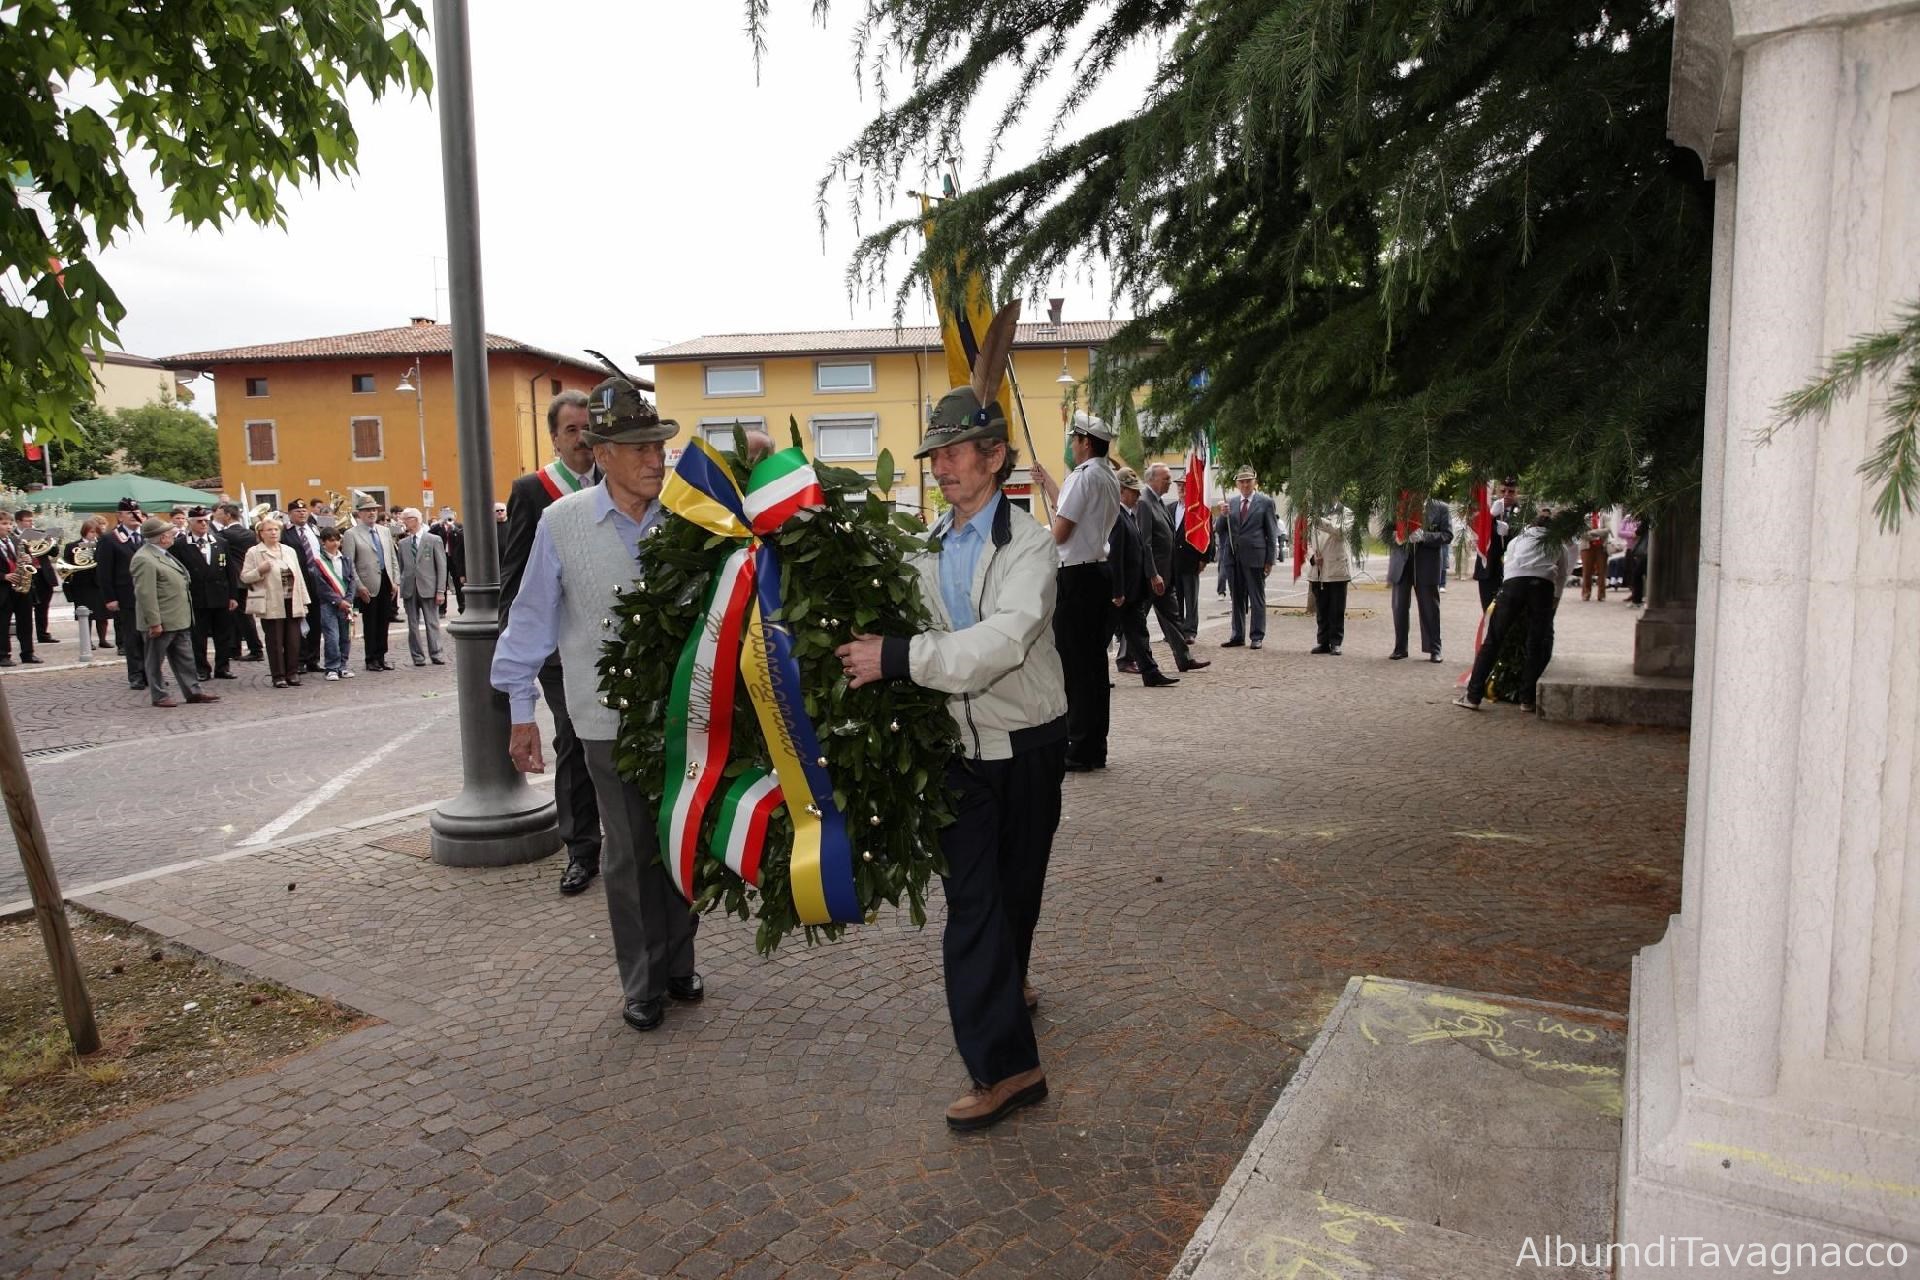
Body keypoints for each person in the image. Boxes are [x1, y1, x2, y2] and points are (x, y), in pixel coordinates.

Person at [834, 364, 1067, 1131]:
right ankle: (1008, 1069)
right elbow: (895, 612)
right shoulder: (927, 543)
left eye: (954, 452)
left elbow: (999, 644)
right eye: (934, 454)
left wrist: (899, 657)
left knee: (1016, 892)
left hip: (1029, 744)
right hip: (958, 757)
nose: (940, 467)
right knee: (973, 904)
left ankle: (1011, 977)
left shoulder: (1030, 548)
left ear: (995, 456)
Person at [494, 378, 700, 1033]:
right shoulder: (562, 523)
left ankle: (679, 961)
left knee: (679, 840)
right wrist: (520, 712)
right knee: (629, 850)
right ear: (602, 454)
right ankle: (643, 981)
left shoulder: (688, 518)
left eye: (658, 446)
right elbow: (529, 619)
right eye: (639, 448)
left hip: (682, 716)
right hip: (606, 720)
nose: (654, 459)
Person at [501, 390, 606, 896]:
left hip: (612, 641)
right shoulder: (533, 491)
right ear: (554, 438)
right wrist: (519, 649)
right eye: (572, 430)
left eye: (589, 428)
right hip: (561, 651)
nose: (583, 438)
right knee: (575, 737)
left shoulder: (616, 481)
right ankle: (581, 850)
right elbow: (516, 577)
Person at [1030, 412, 1120, 773]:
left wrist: (1033, 548)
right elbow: (1072, 512)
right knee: (1094, 666)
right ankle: (1094, 745)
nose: (1071, 445)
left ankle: (1079, 748)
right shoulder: (1106, 476)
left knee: (1075, 667)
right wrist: (1049, 482)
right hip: (1097, 572)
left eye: (1073, 439)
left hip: (1076, 577)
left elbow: (1063, 531)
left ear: (1085, 442)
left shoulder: (1083, 477)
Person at [1456, 506, 1574, 712]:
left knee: (1493, 640)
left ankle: (1473, 696)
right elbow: (1562, 575)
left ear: (1532, 525)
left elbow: (1508, 566)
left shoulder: (1518, 540)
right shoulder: (1557, 543)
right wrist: (1555, 598)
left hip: (1514, 585)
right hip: (1543, 587)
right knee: (1535, 643)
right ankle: (1527, 699)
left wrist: (1508, 593)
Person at [131, 516, 216, 707]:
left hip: (178, 618)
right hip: (161, 620)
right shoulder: (144, 559)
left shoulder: (163, 553)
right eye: (170, 533)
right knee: (155, 661)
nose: (173, 536)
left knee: (185, 658)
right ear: (162, 537)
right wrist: (154, 622)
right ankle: (159, 695)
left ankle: (193, 692)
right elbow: (146, 594)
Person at [1108, 470, 1181, 687]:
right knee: (1103, 635)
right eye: (1134, 491)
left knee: (1139, 633)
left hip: (1132, 592)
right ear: (1122, 491)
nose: (1138, 495)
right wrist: (1117, 591)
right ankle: (1094, 674)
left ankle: (1151, 672)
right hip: (1122, 593)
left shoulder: (1129, 516)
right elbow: (1115, 557)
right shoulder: (1117, 517)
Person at [1137, 464, 1208, 671]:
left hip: (1166, 575)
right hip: (1153, 576)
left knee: (1173, 618)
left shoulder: (1159, 502)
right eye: (1166, 479)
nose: (1170, 483)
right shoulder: (1144, 502)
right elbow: (1145, 543)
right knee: (1136, 619)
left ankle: (1184, 659)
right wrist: (1153, 574)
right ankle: (1125, 657)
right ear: (1152, 480)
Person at [240, 516, 313, 688]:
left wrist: (304, 600)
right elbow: (245, 577)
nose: (273, 533)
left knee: (293, 640)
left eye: (275, 529)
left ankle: (292, 673)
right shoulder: (254, 552)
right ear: (261, 533)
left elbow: (299, 576)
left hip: (292, 600)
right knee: (275, 641)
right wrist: (260, 570)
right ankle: (278, 675)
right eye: (269, 530)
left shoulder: (289, 550)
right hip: (271, 602)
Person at [169, 507, 237, 681]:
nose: (204, 524)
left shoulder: (220, 542)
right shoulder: (180, 545)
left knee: (223, 634)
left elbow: (230, 570)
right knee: (198, 637)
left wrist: (233, 596)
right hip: (197, 597)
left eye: (206, 521)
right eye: (199, 521)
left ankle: (223, 667)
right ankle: (201, 668)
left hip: (220, 595)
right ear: (190, 523)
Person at [1386, 495, 1454, 662]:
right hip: (1402, 562)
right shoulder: (1398, 503)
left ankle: (1434, 649)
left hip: (1427, 563)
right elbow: (1385, 532)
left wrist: (1425, 536)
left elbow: (1447, 535)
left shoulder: (1441, 507)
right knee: (1399, 607)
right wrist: (1396, 536)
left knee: (1430, 608)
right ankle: (1400, 648)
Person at [1221, 467, 1279, 649]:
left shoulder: (1266, 502)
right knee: (1237, 597)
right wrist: (1223, 515)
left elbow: (1272, 533)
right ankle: (1237, 635)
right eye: (1242, 481)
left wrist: (1270, 560)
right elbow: (1220, 529)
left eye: (1248, 481)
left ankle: (1257, 635)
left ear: (1255, 482)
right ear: (1237, 484)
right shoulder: (1231, 502)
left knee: (1256, 597)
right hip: (1233, 557)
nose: (1245, 484)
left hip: (1255, 557)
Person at [342, 497, 401, 673]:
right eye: (367, 510)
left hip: (386, 581)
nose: (371, 513)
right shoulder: (352, 534)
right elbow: (349, 563)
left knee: (384, 621)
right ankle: (371, 658)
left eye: (374, 510)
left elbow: (392, 557)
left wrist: (395, 580)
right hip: (367, 584)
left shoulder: (384, 531)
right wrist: (359, 586)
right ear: (360, 514)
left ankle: (381, 656)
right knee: (371, 623)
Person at [94, 497, 147, 687]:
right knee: (132, 637)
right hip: (127, 596)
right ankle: (136, 674)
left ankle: (152, 673)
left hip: (149, 595)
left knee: (151, 637)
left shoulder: (147, 537)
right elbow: (104, 572)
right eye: (129, 513)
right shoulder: (110, 539)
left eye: (137, 512)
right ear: (120, 516)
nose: (134, 516)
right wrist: (110, 597)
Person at [394, 508, 449, 666]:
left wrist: (440, 590)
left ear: (415, 520)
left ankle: (436, 653)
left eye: (406, 519)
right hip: (410, 589)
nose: (404, 522)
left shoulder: (433, 540)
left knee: (432, 623)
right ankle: (417, 656)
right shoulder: (403, 543)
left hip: (429, 587)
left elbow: (441, 566)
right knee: (412, 625)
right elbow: (401, 567)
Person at [213, 502, 265, 663]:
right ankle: (235, 648)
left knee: (241, 616)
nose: (218, 516)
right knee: (238, 615)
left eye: (221, 514)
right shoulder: (250, 533)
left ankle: (255, 649)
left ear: (228, 515)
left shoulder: (224, 535)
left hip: (234, 579)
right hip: (248, 576)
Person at [282, 499, 327, 673]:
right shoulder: (285, 532)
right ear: (290, 514)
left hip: (317, 579)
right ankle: (299, 659)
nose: (301, 513)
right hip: (297, 580)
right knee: (298, 620)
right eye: (297, 511)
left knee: (316, 621)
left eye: (304, 511)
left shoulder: (314, 529)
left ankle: (313, 659)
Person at [310, 526, 358, 680]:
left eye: (337, 540)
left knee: (345, 636)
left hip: (346, 604)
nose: (335, 543)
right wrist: (338, 601)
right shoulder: (319, 562)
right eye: (331, 540)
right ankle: (332, 667)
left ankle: (343, 666)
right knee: (332, 637)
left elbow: (352, 580)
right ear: (323, 542)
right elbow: (321, 586)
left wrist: (349, 599)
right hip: (328, 604)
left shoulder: (346, 560)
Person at [1306, 503, 1353, 655]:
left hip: (1336, 568)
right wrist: (1312, 557)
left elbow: (1340, 531)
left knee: (1336, 608)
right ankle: (1323, 641)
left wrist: (1319, 520)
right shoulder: (1314, 512)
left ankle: (1336, 642)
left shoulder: (1346, 512)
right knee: (1322, 607)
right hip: (1318, 568)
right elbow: (1305, 539)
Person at [60, 516, 110, 648]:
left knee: (102, 615)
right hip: (81, 584)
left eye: (96, 532)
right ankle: (88, 641)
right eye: (91, 532)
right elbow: (67, 564)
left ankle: (103, 640)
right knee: (86, 615)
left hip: (99, 583)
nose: (94, 535)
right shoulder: (72, 546)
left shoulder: (102, 545)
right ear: (84, 532)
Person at [0, 511, 43, 666]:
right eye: (4, 524)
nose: (8, 527)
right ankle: (3, 655)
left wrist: (28, 559)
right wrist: (4, 576)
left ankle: (27, 653)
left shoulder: (17, 541)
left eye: (10, 523)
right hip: (3, 589)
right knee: (2, 624)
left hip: (21, 587)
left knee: (25, 622)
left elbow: (32, 562)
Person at [1474, 479, 1518, 611]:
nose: (1506, 494)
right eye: (1503, 491)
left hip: (1511, 570)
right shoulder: (1488, 509)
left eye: (1511, 491)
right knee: (1488, 612)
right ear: (1497, 491)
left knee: (1508, 613)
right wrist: (1491, 516)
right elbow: (1476, 528)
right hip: (1488, 567)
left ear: (1517, 493)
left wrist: (1509, 533)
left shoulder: (1524, 512)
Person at [15, 511, 59, 645]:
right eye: (27, 521)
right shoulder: (13, 536)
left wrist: (51, 541)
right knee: (25, 608)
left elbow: (54, 553)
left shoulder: (39, 534)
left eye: (31, 520)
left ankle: (42, 634)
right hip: (27, 574)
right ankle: (25, 638)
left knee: (43, 605)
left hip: (43, 573)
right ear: (18, 522)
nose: (31, 523)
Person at [430, 508, 466, 613]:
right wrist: (439, 524)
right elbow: (429, 535)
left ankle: (462, 607)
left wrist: (453, 528)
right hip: (442, 556)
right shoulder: (437, 527)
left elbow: (462, 537)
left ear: (454, 515)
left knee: (458, 584)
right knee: (442, 583)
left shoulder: (459, 526)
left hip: (454, 558)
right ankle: (442, 609)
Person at [1579, 514, 1610, 601]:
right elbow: (1582, 533)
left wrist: (1592, 532)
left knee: (1602, 572)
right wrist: (1597, 537)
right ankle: (1586, 593)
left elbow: (1607, 530)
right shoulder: (1584, 516)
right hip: (1587, 547)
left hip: (1601, 547)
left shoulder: (1605, 516)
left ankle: (1601, 595)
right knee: (1587, 571)